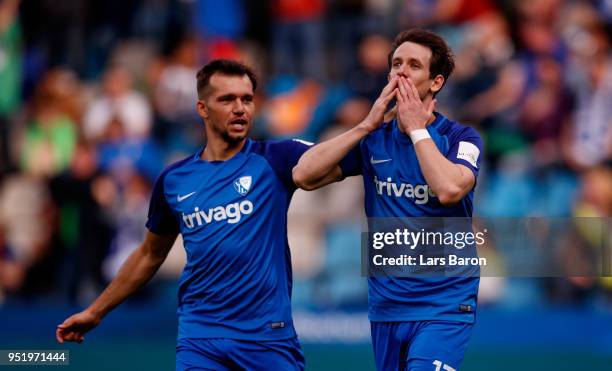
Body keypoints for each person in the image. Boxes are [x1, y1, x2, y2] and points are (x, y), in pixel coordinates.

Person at [56, 59, 328, 370]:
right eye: (227, 99)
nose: (240, 108)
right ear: (202, 108)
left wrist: (369, 125)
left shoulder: (276, 158)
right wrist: (95, 312)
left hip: (266, 338)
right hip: (200, 340)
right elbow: (149, 254)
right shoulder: (174, 180)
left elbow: (344, 158)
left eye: (247, 99)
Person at [293, 29, 483, 371]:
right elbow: (303, 175)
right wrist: (365, 125)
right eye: (396, 64)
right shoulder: (374, 141)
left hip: (445, 302)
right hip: (388, 305)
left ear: (436, 82)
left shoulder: (461, 138)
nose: (402, 72)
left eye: (414, 65)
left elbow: (450, 189)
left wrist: (417, 130)